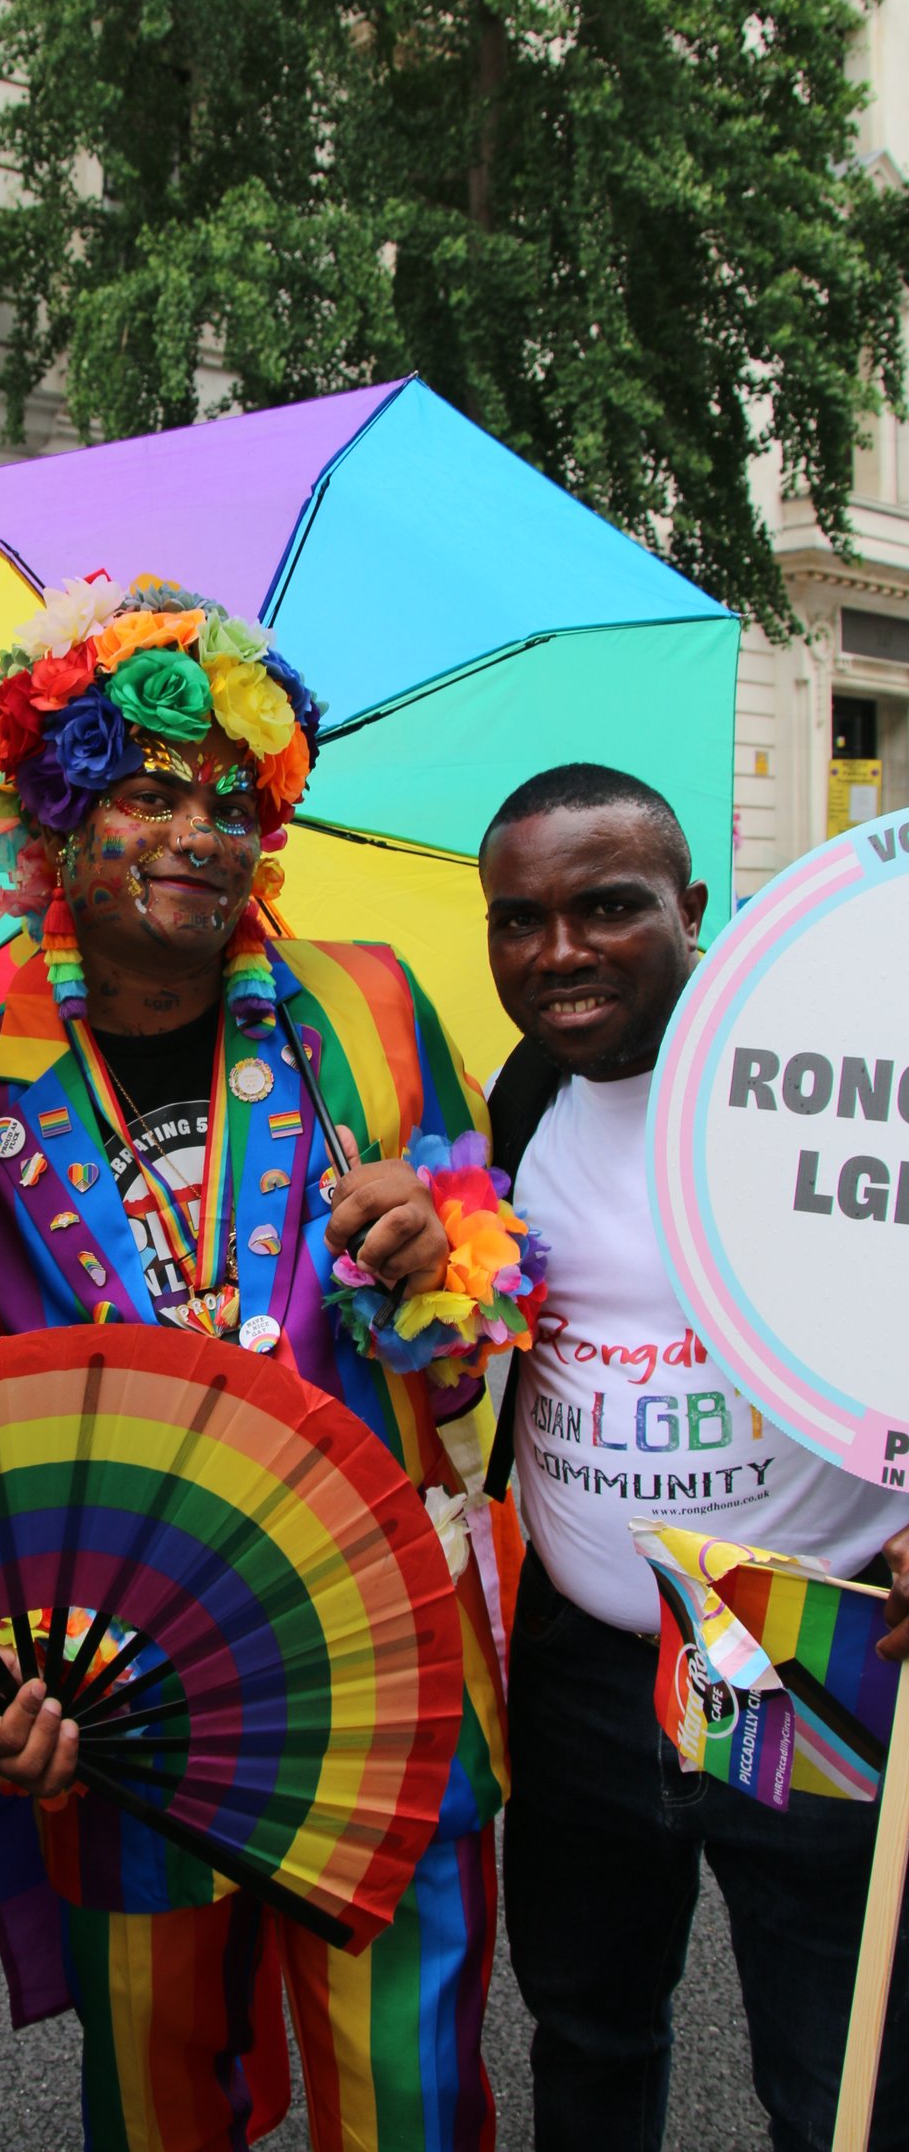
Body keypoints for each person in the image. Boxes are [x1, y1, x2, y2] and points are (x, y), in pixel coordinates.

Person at [0, 576, 521, 2152]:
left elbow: (484, 1336)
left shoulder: (374, 1009)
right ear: (55, 816)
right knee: (163, 2089)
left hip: (384, 1648)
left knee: (414, 2096)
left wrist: (438, 1258)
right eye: (149, 792)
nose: (196, 830)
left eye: (233, 798)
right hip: (128, 1680)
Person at [476, 762, 909, 2152]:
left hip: (777, 1641)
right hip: (590, 1661)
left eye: (607, 908)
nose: (561, 955)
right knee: (591, 2026)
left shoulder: (827, 1072)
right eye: (521, 919)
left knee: (831, 2071)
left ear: (693, 907)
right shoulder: (522, 1093)